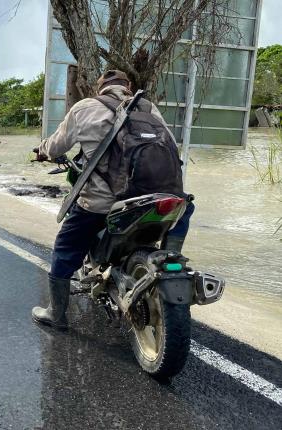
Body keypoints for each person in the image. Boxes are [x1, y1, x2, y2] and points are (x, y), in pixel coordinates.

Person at [31, 70, 194, 329]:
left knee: (65, 248)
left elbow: (56, 146)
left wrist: (42, 151)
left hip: (103, 204)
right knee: (185, 207)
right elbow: (171, 146)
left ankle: (57, 314)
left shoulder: (84, 107)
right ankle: (170, 254)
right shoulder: (148, 107)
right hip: (159, 197)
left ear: (100, 88)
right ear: (128, 87)